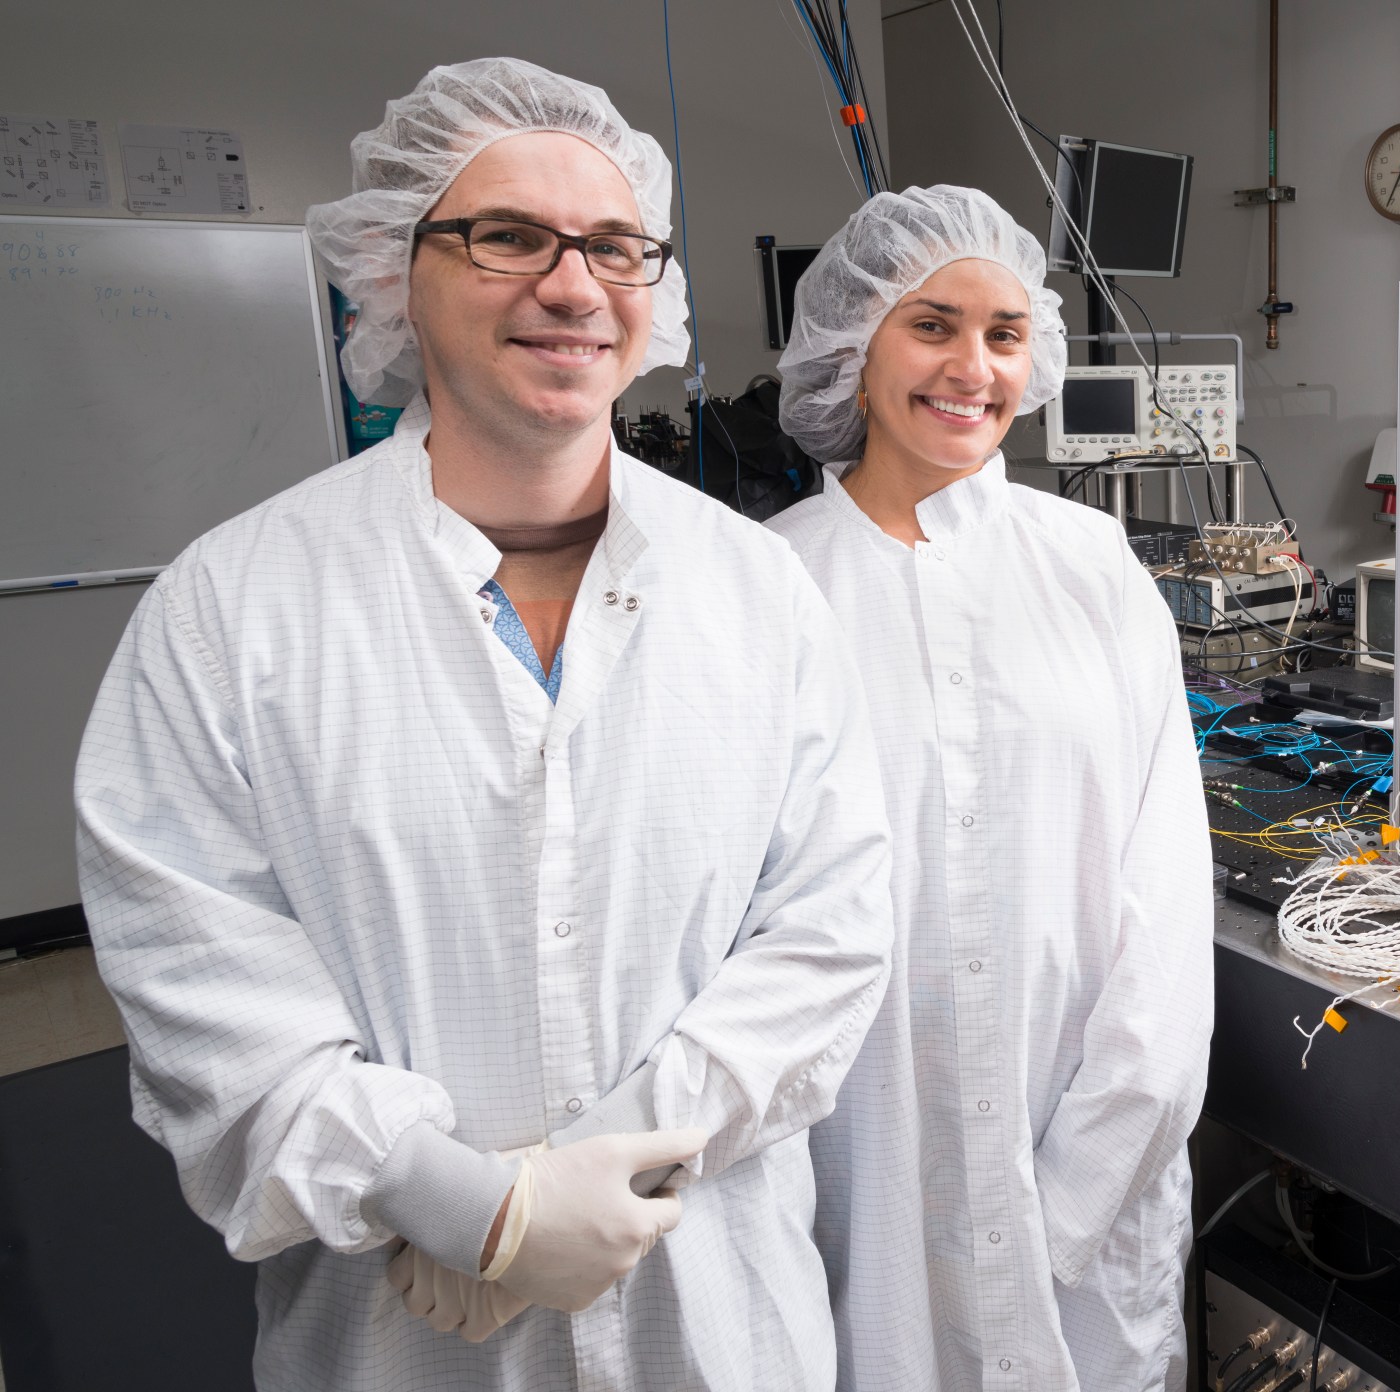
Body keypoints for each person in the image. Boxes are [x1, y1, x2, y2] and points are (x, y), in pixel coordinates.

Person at [76, 58, 892, 1391]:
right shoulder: (231, 610)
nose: (573, 286)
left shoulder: (761, 592)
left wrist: (613, 1161)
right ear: (399, 272)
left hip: (719, 1321)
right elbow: (196, 983)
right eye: (508, 235)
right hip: (399, 1339)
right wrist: (461, 1205)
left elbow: (830, 928)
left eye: (616, 246)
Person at [767, 185, 1215, 1391]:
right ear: (852, 350)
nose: (972, 367)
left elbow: (1165, 898)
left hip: (1089, 1169)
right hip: (861, 1170)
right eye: (931, 325)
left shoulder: (1090, 564)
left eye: (1005, 334)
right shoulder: (766, 590)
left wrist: (1072, 1194)